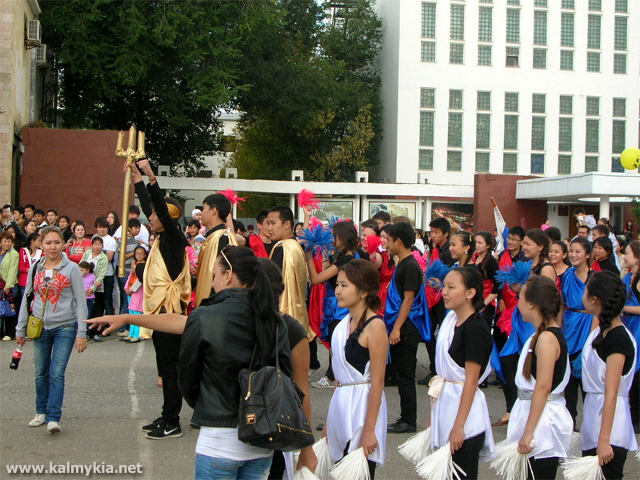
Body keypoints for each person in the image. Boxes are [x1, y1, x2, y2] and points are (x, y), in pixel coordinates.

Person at [178, 246, 292, 479]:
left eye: (214, 275)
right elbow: (285, 374)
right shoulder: (273, 319)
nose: (212, 283)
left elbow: (187, 374)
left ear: (228, 275)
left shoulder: (204, 316)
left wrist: (205, 403)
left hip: (218, 439)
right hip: (262, 437)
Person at [131, 158, 191, 440]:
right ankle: (168, 415)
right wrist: (134, 177)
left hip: (170, 315)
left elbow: (157, 207)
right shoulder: (162, 238)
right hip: (160, 313)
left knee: (170, 370)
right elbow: (148, 203)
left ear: (168, 217)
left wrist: (151, 176)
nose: (149, 217)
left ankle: (172, 421)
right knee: (166, 369)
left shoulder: (173, 238)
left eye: (155, 215)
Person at [15, 226, 88, 434]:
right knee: (41, 373)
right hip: (39, 326)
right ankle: (41, 412)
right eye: (48, 243)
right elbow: (27, 297)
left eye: (57, 242)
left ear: (63, 244)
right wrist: (20, 328)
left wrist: (81, 333)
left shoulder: (71, 268)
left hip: (65, 325)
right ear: (41, 244)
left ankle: (53, 417)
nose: (53, 246)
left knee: (57, 373)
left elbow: (81, 302)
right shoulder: (36, 267)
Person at [427, 266, 494, 479]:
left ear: (470, 293)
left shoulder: (475, 329)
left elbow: (471, 382)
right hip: (445, 407)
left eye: (451, 287)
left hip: (466, 417)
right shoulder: (450, 320)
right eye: (444, 286)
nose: (444, 291)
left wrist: (459, 426)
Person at [324, 259, 388, 478]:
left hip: (362, 409)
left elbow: (378, 382)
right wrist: (327, 422)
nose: (338, 290)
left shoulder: (376, 326)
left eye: (344, 285)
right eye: (338, 284)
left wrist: (370, 430)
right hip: (341, 408)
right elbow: (339, 379)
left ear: (362, 292)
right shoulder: (342, 326)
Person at [507, 276, 572, 479]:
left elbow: (543, 387)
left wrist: (528, 431)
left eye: (521, 298)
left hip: (543, 425)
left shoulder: (547, 338)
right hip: (534, 417)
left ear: (532, 303)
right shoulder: (540, 334)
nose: (518, 303)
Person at [580, 271, 638, 479]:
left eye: (586, 290)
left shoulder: (619, 340)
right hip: (594, 419)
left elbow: (611, 392)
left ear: (595, 299)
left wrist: (604, 440)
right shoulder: (601, 331)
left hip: (610, 428)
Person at [385, 222, 430, 434]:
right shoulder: (401, 263)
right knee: (401, 373)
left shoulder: (410, 265)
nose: (386, 243)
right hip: (401, 326)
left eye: (389, 239)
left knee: (405, 374)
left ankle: (409, 420)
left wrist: (396, 328)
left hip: (406, 328)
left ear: (399, 241)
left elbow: (408, 300)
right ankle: (405, 416)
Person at [306, 220, 358, 389]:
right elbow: (325, 271)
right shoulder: (346, 257)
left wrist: (308, 257)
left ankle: (334, 377)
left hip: (338, 308)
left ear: (342, 238)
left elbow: (316, 279)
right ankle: (334, 376)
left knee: (337, 343)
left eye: (334, 237)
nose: (332, 240)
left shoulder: (345, 260)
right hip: (336, 305)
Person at [267, 206, 312, 346]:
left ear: (287, 224)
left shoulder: (283, 248)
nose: (269, 228)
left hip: (284, 315)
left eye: (273, 223)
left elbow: (273, 285)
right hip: (297, 315)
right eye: (267, 223)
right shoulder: (295, 246)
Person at [561, 237, 594, 425]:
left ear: (587, 254)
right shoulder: (567, 275)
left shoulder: (594, 276)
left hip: (588, 323)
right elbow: (562, 303)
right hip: (569, 325)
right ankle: (570, 425)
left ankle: (590, 426)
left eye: (578, 251)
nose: (573, 255)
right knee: (569, 383)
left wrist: (592, 337)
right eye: (571, 251)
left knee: (587, 383)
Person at [421, 217, 455, 386]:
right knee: (430, 333)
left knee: (444, 334)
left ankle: (442, 368)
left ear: (446, 234)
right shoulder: (434, 249)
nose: (432, 235)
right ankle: (435, 368)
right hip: (432, 296)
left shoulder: (449, 252)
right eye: (431, 232)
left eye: (436, 232)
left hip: (443, 298)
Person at [194, 193, 237, 308]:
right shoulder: (213, 237)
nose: (201, 213)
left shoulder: (223, 237)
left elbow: (225, 275)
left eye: (203, 208)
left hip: (217, 306)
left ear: (213, 210)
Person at [621, 240, 640, 432]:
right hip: (629, 326)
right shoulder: (627, 277)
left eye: (628, 253)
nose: (625, 257)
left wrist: (624, 308)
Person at [81, 237, 108, 341]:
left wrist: (93, 288)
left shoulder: (104, 258)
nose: (97, 246)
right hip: (84, 286)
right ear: (92, 245)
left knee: (97, 310)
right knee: (85, 311)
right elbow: (81, 265)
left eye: (99, 244)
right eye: (95, 244)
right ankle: (85, 333)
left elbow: (101, 275)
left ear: (102, 246)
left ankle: (95, 332)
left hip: (97, 287)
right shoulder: (87, 253)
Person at [472, 232, 499, 328]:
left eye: (480, 243)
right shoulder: (474, 257)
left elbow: (497, 286)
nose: (477, 245)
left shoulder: (491, 262)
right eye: (476, 242)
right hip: (473, 300)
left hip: (485, 303)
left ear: (488, 245)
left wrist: (483, 304)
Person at [123, 246, 148, 343]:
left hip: (138, 291)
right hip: (130, 290)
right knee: (131, 312)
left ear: (145, 255)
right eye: (137, 253)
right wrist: (126, 288)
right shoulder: (135, 264)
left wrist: (132, 290)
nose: (139, 255)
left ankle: (137, 335)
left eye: (141, 253)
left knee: (137, 313)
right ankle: (132, 333)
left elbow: (140, 279)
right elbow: (130, 277)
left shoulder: (143, 266)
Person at [93, 217, 117, 317]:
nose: (102, 229)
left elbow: (109, 258)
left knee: (107, 300)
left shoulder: (111, 240)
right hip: (95, 274)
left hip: (107, 274)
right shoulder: (94, 238)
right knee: (97, 301)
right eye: (100, 227)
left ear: (107, 228)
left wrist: (98, 254)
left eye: (104, 227)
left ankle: (108, 325)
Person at [0, 232, 19, 340]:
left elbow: (13, 271)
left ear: (12, 242)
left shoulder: (14, 254)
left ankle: (9, 333)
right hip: (0, 283)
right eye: (4, 241)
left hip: (9, 284)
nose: (6, 243)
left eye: (9, 241)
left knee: (10, 307)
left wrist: (8, 286)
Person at [18, 232, 42, 298]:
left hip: (37, 282)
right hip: (25, 281)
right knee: (25, 301)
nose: (40, 242)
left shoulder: (41, 252)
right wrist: (32, 270)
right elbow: (21, 267)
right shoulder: (23, 251)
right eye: (39, 240)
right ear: (32, 241)